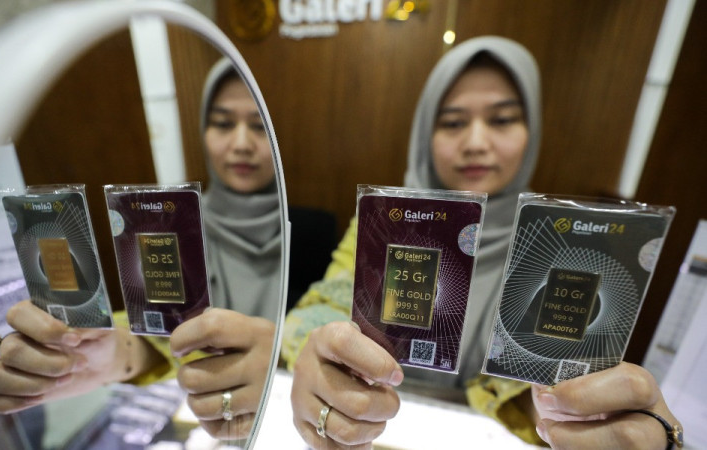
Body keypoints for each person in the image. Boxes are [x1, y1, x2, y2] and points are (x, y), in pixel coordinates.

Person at [283, 36, 682, 449]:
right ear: (425, 133)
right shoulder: (386, 222)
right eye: (453, 123)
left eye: (502, 119)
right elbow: (321, 310)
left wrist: (569, 407)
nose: (476, 142)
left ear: (531, 131)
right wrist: (324, 352)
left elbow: (539, 378)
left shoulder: (556, 240)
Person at [0, 58, 281, 441]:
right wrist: (110, 350)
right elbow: (155, 324)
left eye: (259, 126)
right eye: (222, 123)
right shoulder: (173, 225)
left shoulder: (310, 231)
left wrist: (278, 360)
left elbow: (317, 320)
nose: (241, 144)